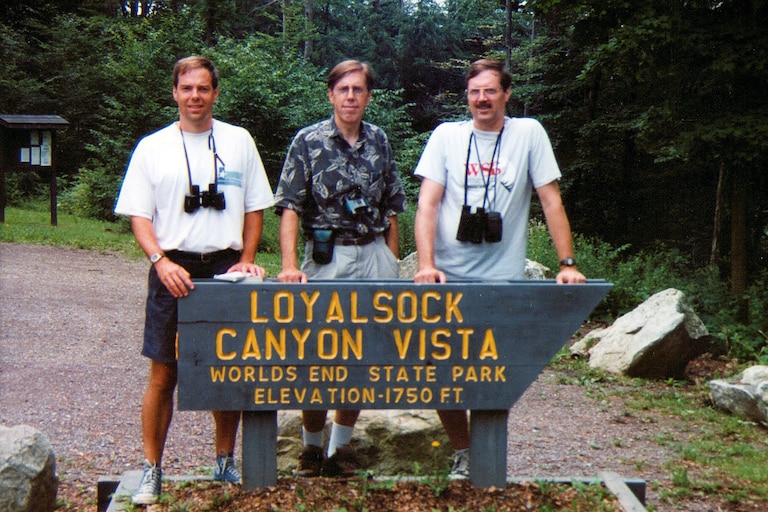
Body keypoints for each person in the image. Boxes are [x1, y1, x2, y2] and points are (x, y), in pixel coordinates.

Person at [412, 59, 586, 479]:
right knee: (441, 372)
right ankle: (463, 451)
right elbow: (427, 204)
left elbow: (550, 200)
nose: (482, 99)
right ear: (466, 96)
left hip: (502, 278)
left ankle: (488, 455)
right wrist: (425, 264)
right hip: (448, 275)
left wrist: (568, 264)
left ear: (506, 94)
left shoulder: (529, 134)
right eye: (474, 92)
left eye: (490, 91)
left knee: (493, 371)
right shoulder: (446, 137)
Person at [114, 55, 274, 505]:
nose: (195, 97)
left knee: (226, 367)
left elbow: (255, 206)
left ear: (215, 93)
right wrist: (160, 260)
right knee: (164, 370)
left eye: (203, 89)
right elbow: (140, 217)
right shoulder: (152, 147)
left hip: (224, 265)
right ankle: (152, 469)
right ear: (175, 93)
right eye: (187, 89)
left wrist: (246, 258)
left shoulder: (238, 141)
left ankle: (224, 461)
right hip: (173, 266)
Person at [273, 60, 407, 478]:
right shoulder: (308, 141)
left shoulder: (379, 140)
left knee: (364, 355)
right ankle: (311, 450)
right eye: (343, 89)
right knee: (318, 352)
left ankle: (339, 450)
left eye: (359, 90)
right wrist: (291, 265)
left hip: (373, 254)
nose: (351, 97)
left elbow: (392, 207)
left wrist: (391, 260)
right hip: (327, 258)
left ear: (368, 96)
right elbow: (290, 208)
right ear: (331, 94)